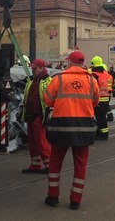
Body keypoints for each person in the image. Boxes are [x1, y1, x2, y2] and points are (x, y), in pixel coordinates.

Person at [43, 50, 99, 210]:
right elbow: (95, 102)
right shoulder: (91, 81)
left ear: (70, 62)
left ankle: (53, 196)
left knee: (55, 163)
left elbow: (47, 100)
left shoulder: (59, 79)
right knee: (80, 165)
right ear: (82, 63)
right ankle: (75, 200)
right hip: (83, 129)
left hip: (61, 127)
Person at [20, 59, 52, 174]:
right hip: (31, 114)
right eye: (32, 68)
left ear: (42, 68)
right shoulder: (32, 81)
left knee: (40, 141)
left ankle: (50, 165)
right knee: (32, 141)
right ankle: (35, 164)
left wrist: (49, 114)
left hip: (40, 114)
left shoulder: (48, 81)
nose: (33, 70)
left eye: (35, 68)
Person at [90, 56, 112, 140]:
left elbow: (92, 89)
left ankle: (103, 134)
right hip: (106, 99)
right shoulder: (107, 74)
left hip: (98, 99)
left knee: (99, 118)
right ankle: (102, 132)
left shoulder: (94, 75)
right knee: (102, 117)